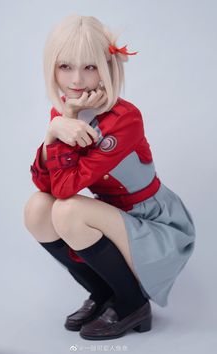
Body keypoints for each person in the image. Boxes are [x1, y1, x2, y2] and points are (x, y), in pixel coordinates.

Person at [24, 14, 196, 340]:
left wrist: (58, 130)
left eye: (89, 67)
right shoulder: (64, 114)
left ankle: (132, 304)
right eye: (65, 66)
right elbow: (46, 186)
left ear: (107, 66)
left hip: (156, 225)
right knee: (36, 208)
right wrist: (55, 132)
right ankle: (104, 294)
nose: (76, 79)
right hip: (114, 217)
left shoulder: (124, 119)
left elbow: (64, 189)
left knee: (67, 209)